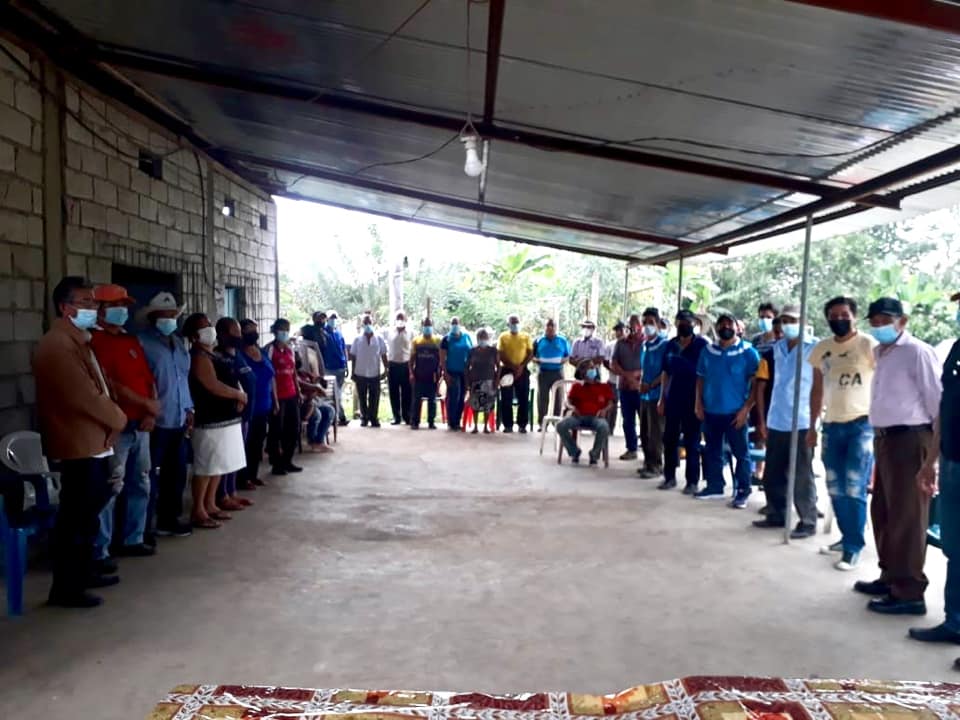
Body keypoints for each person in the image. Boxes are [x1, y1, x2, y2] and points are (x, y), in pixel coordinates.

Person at [34, 277, 128, 608]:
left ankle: (84, 572)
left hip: (93, 439)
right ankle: (66, 587)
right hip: (77, 442)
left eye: (94, 303)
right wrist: (118, 419)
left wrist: (111, 421)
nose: (93, 308)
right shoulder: (57, 345)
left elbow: (102, 386)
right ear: (65, 307)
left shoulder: (79, 340)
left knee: (87, 515)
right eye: (86, 303)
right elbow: (84, 396)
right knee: (76, 516)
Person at [854, 298, 940, 616]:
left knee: (908, 516)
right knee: (884, 511)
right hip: (886, 440)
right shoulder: (880, 352)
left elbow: (937, 403)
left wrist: (932, 456)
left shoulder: (918, 352)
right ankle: (890, 576)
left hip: (911, 438)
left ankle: (909, 591)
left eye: (885, 320)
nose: (879, 326)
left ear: (901, 321)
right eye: (874, 321)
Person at [89, 284, 157, 568]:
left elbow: (147, 377)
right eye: (116, 305)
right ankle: (101, 549)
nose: (122, 311)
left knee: (140, 481)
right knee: (111, 487)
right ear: (100, 310)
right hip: (115, 427)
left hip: (141, 424)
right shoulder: (92, 342)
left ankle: (133, 537)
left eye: (124, 306)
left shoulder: (130, 340)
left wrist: (150, 409)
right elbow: (109, 384)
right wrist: (144, 403)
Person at [807, 297, 877, 570]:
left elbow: (883, 381)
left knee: (854, 486)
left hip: (862, 425)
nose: (839, 319)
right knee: (835, 486)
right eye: (833, 315)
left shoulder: (868, 345)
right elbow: (817, 390)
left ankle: (853, 547)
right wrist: (812, 426)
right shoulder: (822, 349)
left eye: (844, 314)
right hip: (831, 425)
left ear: (854, 317)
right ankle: (847, 536)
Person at [909, 291, 960, 650]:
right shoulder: (956, 349)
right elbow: (945, 406)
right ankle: (955, 622)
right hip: (954, 459)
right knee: (955, 546)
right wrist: (931, 461)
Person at [751, 304, 818, 537]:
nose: (787, 325)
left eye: (792, 320)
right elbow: (767, 384)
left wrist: (815, 421)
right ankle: (777, 513)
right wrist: (763, 420)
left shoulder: (814, 348)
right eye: (784, 321)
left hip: (801, 419)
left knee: (801, 474)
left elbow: (821, 386)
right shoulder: (776, 348)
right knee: (774, 472)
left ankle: (807, 519)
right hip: (777, 417)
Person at [182, 313, 247, 529]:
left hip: (225, 419)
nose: (209, 329)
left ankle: (210, 504)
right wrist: (238, 395)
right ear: (193, 335)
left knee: (218, 464)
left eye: (209, 325)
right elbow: (212, 385)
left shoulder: (213, 354)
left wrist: (238, 394)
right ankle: (198, 510)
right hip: (209, 419)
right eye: (203, 327)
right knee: (206, 466)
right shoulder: (199, 357)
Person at [138, 291, 194, 540]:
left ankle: (169, 519)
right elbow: (140, 381)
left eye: (173, 315)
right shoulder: (142, 343)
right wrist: (146, 411)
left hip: (178, 417)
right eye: (164, 316)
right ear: (153, 318)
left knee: (176, 473)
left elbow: (183, 378)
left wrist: (189, 408)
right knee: (147, 476)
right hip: (155, 420)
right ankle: (145, 527)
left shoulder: (179, 343)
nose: (170, 320)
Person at [695, 312, 760, 508]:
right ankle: (715, 486)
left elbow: (757, 385)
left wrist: (746, 409)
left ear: (737, 328)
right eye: (722, 324)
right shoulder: (708, 351)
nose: (725, 327)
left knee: (741, 453)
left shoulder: (748, 352)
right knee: (712, 450)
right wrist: (698, 403)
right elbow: (700, 378)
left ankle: (743, 490)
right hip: (711, 411)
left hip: (736, 413)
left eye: (729, 324)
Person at [658, 310, 707, 493]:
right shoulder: (671, 345)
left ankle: (692, 482)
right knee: (669, 439)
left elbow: (704, 375)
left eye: (687, 322)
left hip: (693, 400)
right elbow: (665, 373)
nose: (684, 325)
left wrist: (700, 402)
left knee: (692, 441)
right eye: (680, 322)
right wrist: (662, 399)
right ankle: (669, 477)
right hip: (673, 398)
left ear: (693, 324)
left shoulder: (702, 345)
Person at [214, 318, 255, 511]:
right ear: (222, 335)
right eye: (235, 332)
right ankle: (222, 495)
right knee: (225, 458)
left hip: (244, 416)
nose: (239, 336)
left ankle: (232, 492)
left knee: (236, 457)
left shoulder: (237, 355)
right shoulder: (217, 358)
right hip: (229, 417)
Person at [237, 320, 276, 490]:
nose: (253, 333)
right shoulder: (239, 355)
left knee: (257, 443)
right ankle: (242, 478)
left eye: (255, 330)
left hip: (264, 405)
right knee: (245, 443)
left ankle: (253, 475)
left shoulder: (262, 352)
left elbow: (271, 377)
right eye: (249, 330)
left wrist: (275, 400)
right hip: (248, 407)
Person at [556, 361, 615, 466]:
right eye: (590, 368)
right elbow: (568, 401)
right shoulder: (577, 386)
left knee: (604, 427)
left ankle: (594, 455)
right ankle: (574, 451)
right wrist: (573, 408)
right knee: (561, 425)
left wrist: (605, 410)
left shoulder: (604, 387)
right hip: (578, 417)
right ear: (583, 372)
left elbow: (611, 403)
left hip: (597, 417)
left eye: (593, 367)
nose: (593, 370)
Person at [263, 319, 302, 475]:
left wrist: (298, 391)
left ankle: (287, 460)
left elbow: (293, 372)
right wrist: (275, 400)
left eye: (287, 329)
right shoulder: (270, 350)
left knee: (293, 429)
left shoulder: (290, 350)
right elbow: (270, 375)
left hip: (291, 394)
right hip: (277, 396)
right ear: (275, 331)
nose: (284, 333)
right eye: (282, 330)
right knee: (276, 430)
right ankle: (276, 463)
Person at [637, 307, 668, 478]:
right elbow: (644, 368)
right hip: (644, 394)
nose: (647, 326)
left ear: (658, 324)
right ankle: (648, 462)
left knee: (656, 432)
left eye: (651, 322)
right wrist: (642, 383)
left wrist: (651, 385)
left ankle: (656, 465)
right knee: (644, 431)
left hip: (657, 394)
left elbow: (666, 372)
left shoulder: (664, 345)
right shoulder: (645, 345)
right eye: (644, 323)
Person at [611, 314, 644, 460]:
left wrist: (636, 374)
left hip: (641, 388)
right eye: (631, 324)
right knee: (627, 421)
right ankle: (631, 449)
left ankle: (648, 451)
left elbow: (650, 366)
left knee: (645, 421)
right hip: (624, 387)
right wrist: (626, 375)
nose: (633, 327)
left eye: (636, 323)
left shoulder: (646, 343)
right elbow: (614, 364)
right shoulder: (621, 343)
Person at [497, 314, 534, 433]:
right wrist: (512, 367)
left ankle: (522, 424)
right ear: (508, 324)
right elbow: (500, 354)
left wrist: (521, 366)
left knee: (523, 398)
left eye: (517, 322)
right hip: (507, 370)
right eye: (512, 322)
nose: (515, 324)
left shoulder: (526, 336)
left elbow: (530, 353)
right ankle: (507, 425)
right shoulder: (503, 337)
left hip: (523, 370)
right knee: (506, 398)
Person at [350, 315, 388, 427]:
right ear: (362, 324)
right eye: (365, 323)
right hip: (360, 372)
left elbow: (383, 355)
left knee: (374, 397)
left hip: (374, 372)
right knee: (362, 397)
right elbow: (353, 357)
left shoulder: (379, 339)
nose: (367, 325)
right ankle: (364, 418)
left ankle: (373, 418)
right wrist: (353, 372)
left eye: (369, 322)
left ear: (373, 323)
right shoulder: (357, 339)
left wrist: (386, 369)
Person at [533, 318, 570, 430]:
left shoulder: (562, 340)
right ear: (545, 327)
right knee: (542, 398)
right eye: (548, 325)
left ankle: (556, 423)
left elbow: (568, 356)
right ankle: (542, 424)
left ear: (555, 327)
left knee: (558, 398)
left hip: (557, 372)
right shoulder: (538, 341)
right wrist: (537, 361)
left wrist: (562, 360)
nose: (550, 328)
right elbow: (533, 356)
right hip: (543, 372)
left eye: (552, 325)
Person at [441, 316, 473, 431]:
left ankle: (457, 420)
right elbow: (442, 358)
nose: (455, 325)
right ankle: (452, 421)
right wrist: (445, 373)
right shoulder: (446, 339)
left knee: (462, 396)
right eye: (453, 323)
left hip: (464, 372)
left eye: (456, 323)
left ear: (460, 324)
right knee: (455, 395)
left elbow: (471, 352)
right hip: (452, 371)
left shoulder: (466, 337)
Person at [410, 318, 442, 430]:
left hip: (432, 375)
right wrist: (411, 373)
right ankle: (415, 422)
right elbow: (412, 359)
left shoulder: (437, 341)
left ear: (432, 326)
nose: (427, 327)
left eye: (429, 325)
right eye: (425, 325)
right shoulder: (416, 341)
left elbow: (441, 359)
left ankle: (431, 421)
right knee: (416, 400)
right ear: (422, 326)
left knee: (432, 400)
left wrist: (440, 373)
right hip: (419, 374)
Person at [466, 328, 498, 433]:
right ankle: (475, 426)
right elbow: (467, 366)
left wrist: (497, 380)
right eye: (481, 337)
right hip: (475, 381)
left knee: (488, 405)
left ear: (488, 338)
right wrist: (467, 381)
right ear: (477, 338)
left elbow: (498, 366)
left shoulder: (493, 351)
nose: (483, 339)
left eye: (485, 337)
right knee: (475, 404)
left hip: (489, 381)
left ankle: (485, 427)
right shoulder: (472, 351)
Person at [321, 311, 350, 426]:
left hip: (340, 368)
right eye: (331, 318)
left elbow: (344, 349)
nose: (333, 320)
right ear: (327, 320)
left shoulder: (338, 334)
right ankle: (338, 417)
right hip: (329, 368)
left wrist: (346, 365)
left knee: (338, 394)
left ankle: (338, 417)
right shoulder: (323, 333)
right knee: (333, 394)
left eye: (335, 318)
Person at [386, 311, 412, 425]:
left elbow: (413, 350)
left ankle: (407, 416)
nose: (400, 320)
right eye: (398, 318)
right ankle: (396, 417)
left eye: (402, 318)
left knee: (407, 392)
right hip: (393, 365)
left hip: (405, 365)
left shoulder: (411, 333)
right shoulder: (390, 332)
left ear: (406, 319)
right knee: (393, 392)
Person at [603, 321, 626, 433]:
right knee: (611, 404)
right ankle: (609, 428)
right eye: (617, 330)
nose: (619, 332)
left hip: (626, 381)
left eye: (621, 330)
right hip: (613, 379)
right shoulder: (610, 345)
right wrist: (614, 370)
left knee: (626, 407)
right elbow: (606, 361)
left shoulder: (630, 345)